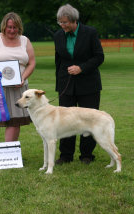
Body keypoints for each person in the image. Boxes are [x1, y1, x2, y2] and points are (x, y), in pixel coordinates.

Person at [54, 4, 105, 164]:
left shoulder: (90, 33)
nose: (62, 26)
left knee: (87, 119)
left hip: (88, 85)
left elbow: (99, 57)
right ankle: (65, 155)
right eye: (60, 23)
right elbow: (59, 61)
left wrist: (81, 68)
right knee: (65, 121)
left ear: (74, 20)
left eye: (65, 22)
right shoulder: (58, 35)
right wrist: (59, 84)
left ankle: (87, 155)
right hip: (66, 85)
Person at [0, 12, 36, 142]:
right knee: (10, 120)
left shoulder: (25, 40)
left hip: (19, 87)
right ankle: (10, 150)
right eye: (9, 27)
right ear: (4, 26)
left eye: (15, 27)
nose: (12, 30)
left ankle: (10, 150)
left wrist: (23, 78)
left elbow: (31, 63)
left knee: (16, 121)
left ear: (19, 27)